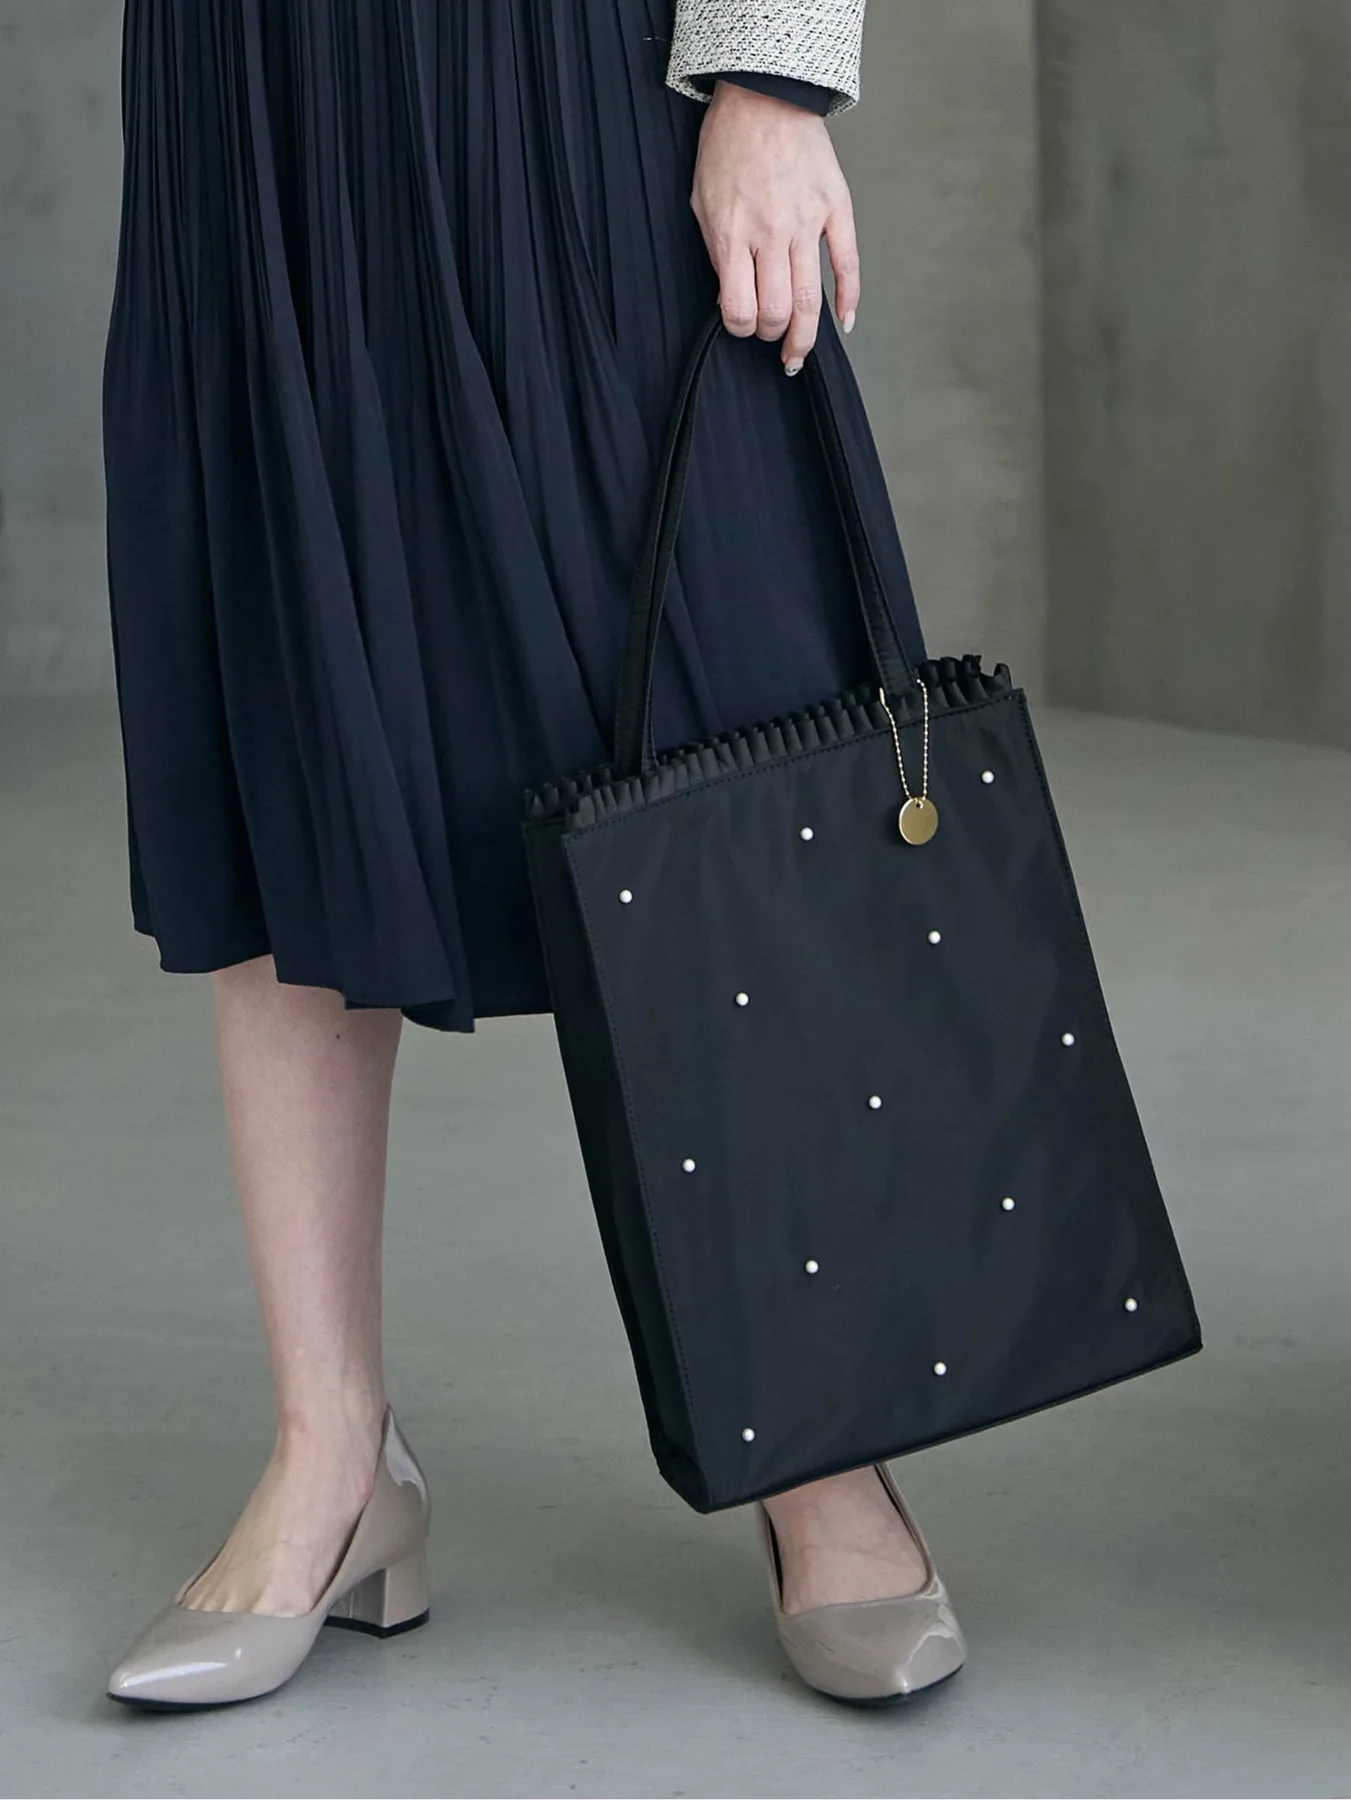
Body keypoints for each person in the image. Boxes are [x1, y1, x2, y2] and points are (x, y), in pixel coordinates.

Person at [103, 0, 966, 1711]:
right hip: (253, 88)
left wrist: (772, 74)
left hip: (572, 63)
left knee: (715, 726)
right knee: (290, 710)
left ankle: (816, 1445)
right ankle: (331, 1456)